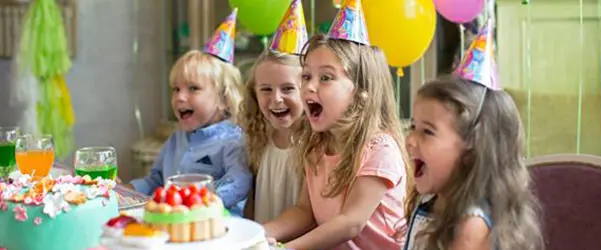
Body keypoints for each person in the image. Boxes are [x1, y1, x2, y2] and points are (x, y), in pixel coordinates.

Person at [263, 0, 410, 249]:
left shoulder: (380, 149)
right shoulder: (316, 146)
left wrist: (285, 248)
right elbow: (304, 211)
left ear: (361, 90)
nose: (309, 86)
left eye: (326, 77)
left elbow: (351, 222)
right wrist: (257, 233)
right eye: (306, 76)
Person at [402, 19, 542, 250]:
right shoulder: (433, 202)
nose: (410, 139)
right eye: (412, 127)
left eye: (427, 131)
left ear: (472, 147)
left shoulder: (471, 225)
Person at [127, 9, 252, 216]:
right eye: (176, 89)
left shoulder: (233, 142)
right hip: (173, 224)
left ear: (223, 98)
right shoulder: (176, 139)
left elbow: (238, 182)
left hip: (216, 228)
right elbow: (155, 180)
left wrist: (199, 204)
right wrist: (127, 190)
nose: (180, 97)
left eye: (193, 88)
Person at [240, 0, 308, 223]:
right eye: (266, 89)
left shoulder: (314, 144)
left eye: (288, 88)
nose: (276, 99)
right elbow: (252, 198)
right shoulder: (257, 138)